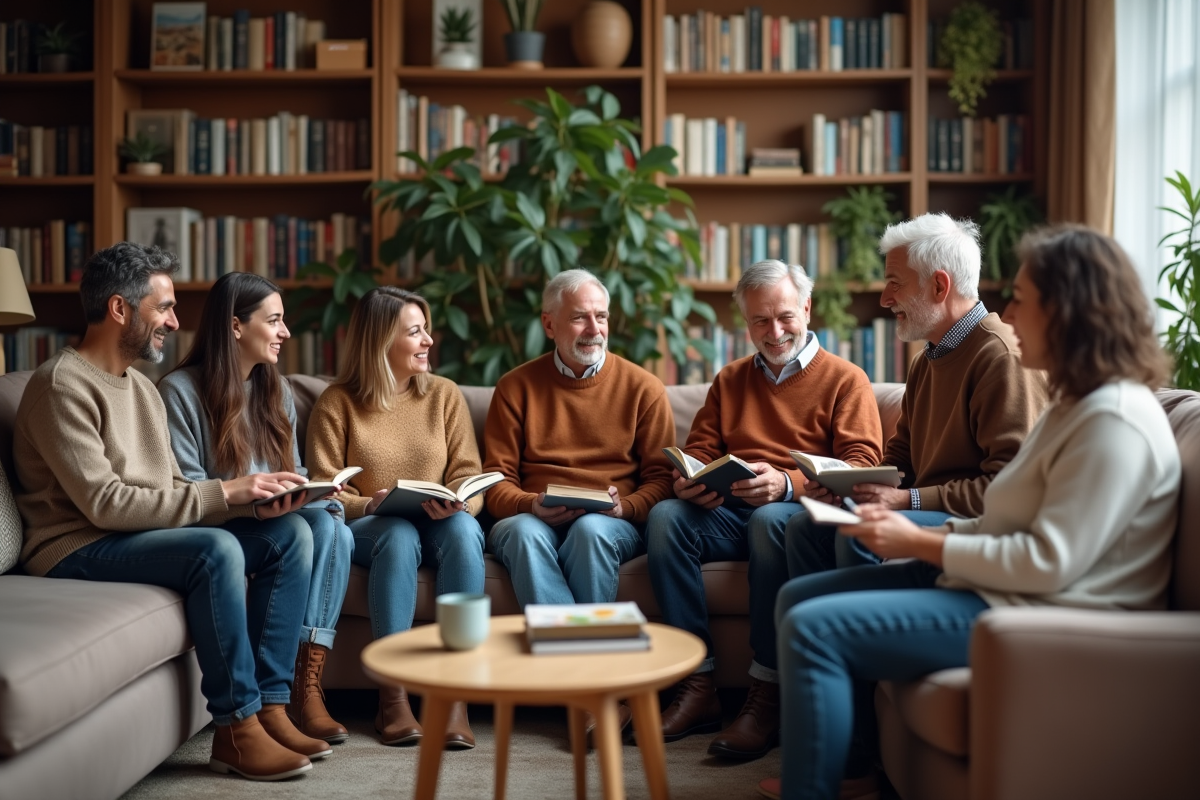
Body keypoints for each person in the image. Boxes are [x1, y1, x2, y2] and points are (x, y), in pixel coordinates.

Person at [758, 225, 1180, 800]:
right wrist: (870, 499)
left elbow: (1047, 562)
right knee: (795, 598)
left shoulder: (1113, 422)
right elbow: (1010, 516)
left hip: (1047, 611)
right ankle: (836, 761)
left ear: (1067, 313)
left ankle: (824, 783)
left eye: (1024, 299)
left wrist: (920, 538)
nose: (1008, 310)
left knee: (813, 628)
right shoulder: (1074, 406)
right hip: (1003, 585)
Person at [13, 242, 323, 781]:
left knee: (291, 534)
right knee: (216, 549)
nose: (176, 322)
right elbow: (105, 505)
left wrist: (256, 504)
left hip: (136, 534)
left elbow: (173, 487)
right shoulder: (61, 385)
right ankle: (236, 728)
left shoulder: (140, 386)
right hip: (76, 544)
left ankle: (272, 704)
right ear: (119, 309)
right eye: (164, 308)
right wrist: (225, 495)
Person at [645, 259, 884, 760]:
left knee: (771, 519)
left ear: (807, 308)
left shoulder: (847, 379)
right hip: (730, 512)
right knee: (666, 517)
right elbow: (703, 449)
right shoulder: (729, 380)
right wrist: (689, 479)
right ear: (745, 323)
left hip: (793, 516)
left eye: (784, 317)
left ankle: (766, 692)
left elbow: (863, 464)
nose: (773, 332)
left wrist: (789, 485)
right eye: (759, 321)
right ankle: (697, 685)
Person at [782, 213, 1047, 585]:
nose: (885, 298)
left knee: (856, 531)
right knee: (803, 527)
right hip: (931, 510)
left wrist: (909, 501)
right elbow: (899, 462)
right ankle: (820, 632)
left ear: (940, 286)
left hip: (977, 523)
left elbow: (1008, 488)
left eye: (894, 283)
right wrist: (850, 488)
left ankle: (854, 634)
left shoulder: (1001, 357)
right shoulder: (927, 360)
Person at [159, 271, 355, 746]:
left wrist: (314, 491)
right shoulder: (179, 392)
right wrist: (250, 505)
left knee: (333, 527)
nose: (285, 332)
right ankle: (279, 698)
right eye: (275, 320)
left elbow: (295, 470)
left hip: (268, 520)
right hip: (221, 529)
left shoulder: (275, 389)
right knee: (306, 534)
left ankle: (291, 695)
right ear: (234, 327)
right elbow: (188, 493)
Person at [483, 268, 676, 740]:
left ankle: (586, 692)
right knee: (524, 535)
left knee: (591, 532)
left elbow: (662, 481)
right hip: (533, 516)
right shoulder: (516, 387)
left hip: (611, 520)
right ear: (549, 324)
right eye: (579, 319)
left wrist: (625, 509)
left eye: (602, 317)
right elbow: (493, 483)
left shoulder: (643, 388)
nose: (594, 329)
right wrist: (530, 505)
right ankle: (597, 692)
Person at [306, 287, 486, 750]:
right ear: (380, 341)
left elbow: (468, 471)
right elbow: (324, 488)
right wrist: (368, 504)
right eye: (415, 331)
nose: (428, 340)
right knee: (399, 535)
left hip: (441, 519)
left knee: (465, 530)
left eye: (426, 328)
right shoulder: (337, 402)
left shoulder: (444, 395)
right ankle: (394, 697)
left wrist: (462, 501)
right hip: (372, 526)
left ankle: (454, 695)